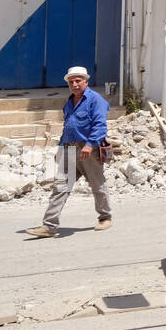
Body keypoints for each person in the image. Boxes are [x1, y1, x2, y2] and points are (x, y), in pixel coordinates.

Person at [25, 67, 112, 237]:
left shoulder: (96, 100)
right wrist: (60, 147)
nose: (74, 84)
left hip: (88, 150)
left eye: (78, 80)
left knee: (97, 184)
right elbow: (68, 127)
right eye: (71, 82)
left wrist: (89, 145)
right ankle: (49, 226)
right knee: (60, 187)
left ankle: (105, 217)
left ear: (86, 81)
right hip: (69, 150)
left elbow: (100, 125)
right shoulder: (69, 102)